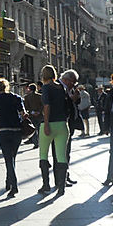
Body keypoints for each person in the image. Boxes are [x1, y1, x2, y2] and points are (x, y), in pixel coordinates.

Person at [0, 78, 27, 198]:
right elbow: (23, 113)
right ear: (6, 86)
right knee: (12, 158)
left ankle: (14, 185)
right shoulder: (16, 97)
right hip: (16, 131)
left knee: (8, 158)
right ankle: (8, 181)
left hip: (3, 130)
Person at [38, 64, 70, 195]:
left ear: (43, 75)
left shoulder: (46, 88)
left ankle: (46, 185)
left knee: (43, 155)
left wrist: (46, 124)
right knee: (61, 156)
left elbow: (46, 106)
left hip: (49, 125)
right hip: (62, 125)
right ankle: (61, 187)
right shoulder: (61, 87)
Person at [23, 83, 43, 148]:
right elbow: (42, 105)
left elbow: (26, 107)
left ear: (29, 89)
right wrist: (39, 112)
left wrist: (32, 112)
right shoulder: (40, 96)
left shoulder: (26, 97)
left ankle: (36, 143)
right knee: (40, 129)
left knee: (33, 129)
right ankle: (41, 142)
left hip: (32, 115)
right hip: (40, 115)